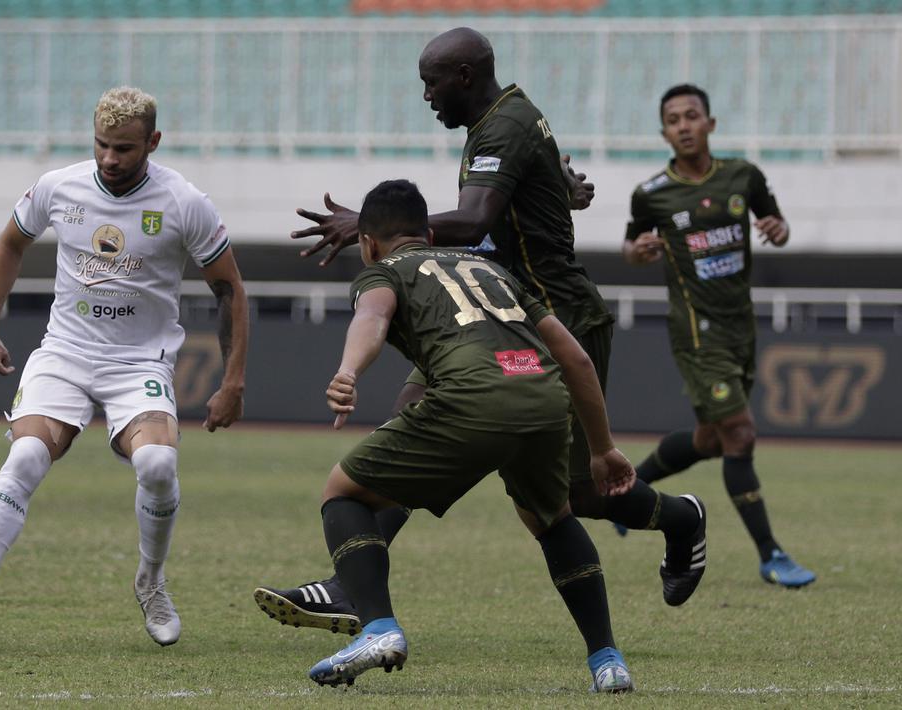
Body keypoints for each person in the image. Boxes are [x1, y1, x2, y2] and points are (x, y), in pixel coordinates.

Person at [256, 27, 706, 633]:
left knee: (576, 499)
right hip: (493, 315)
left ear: (464, 76)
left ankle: (680, 519)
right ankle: (352, 583)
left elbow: (472, 221)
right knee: (415, 416)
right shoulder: (501, 123)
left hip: (555, 316)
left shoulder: (505, 125)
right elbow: (525, 189)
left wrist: (373, 222)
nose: (426, 96)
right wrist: (560, 185)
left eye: (431, 83)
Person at [0, 86, 250, 646]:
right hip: (65, 354)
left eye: (124, 149)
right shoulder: (58, 187)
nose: (109, 159)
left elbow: (230, 290)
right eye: (101, 145)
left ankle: (150, 581)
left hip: (138, 362)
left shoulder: (183, 202)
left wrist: (233, 380)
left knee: (157, 468)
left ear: (153, 141)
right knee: (25, 454)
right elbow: (9, 245)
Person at [303, 179, 636, 691]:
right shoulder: (492, 270)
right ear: (431, 233)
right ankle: (608, 660)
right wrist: (603, 447)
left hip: (470, 397)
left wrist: (348, 371)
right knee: (551, 519)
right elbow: (577, 358)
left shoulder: (384, 271)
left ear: (367, 243)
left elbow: (373, 316)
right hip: (541, 396)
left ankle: (377, 628)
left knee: (342, 493)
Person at [622, 84, 815, 588]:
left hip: (739, 326)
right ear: (663, 132)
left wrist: (779, 230)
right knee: (741, 434)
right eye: (673, 119)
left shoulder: (742, 176)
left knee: (711, 439)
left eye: (692, 116)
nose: (683, 125)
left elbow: (776, 222)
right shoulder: (651, 194)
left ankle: (626, 494)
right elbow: (632, 247)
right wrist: (639, 251)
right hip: (696, 331)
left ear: (711, 123)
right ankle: (771, 554)